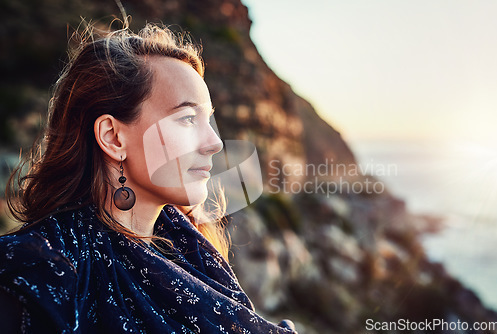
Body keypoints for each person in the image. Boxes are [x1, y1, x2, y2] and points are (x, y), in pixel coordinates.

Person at [0, 23, 297, 333]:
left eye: (208, 120)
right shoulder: (32, 275)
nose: (215, 142)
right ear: (113, 137)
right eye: (187, 119)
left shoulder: (196, 255)